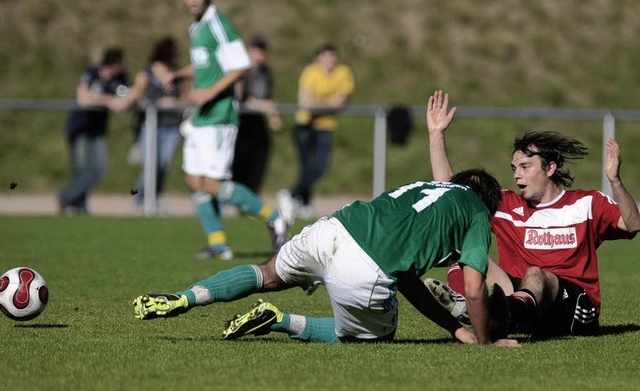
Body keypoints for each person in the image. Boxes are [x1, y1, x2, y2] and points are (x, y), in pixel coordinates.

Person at [132, 167, 519, 347]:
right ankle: (280, 320)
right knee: (375, 336)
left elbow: (407, 279)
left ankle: (186, 296)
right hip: (365, 266)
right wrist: (484, 341)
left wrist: (453, 329)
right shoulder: (478, 212)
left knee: (268, 272)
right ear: (488, 203)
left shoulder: (426, 187)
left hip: (334, 227)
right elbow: (472, 288)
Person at [425, 90, 640, 338]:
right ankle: (497, 312)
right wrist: (436, 135)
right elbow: (454, 195)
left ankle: (495, 312)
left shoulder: (586, 203)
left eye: (525, 167)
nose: (517, 175)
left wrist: (615, 181)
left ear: (550, 168)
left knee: (537, 274)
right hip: (524, 302)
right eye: (514, 168)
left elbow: (633, 224)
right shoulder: (507, 205)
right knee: (463, 260)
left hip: (576, 309)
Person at [174, 0, 293, 259]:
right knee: (193, 180)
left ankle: (274, 217)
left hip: (220, 116)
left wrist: (210, 92)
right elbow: (207, 66)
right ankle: (218, 244)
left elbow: (240, 65)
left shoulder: (217, 23)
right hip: (201, 116)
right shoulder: (196, 27)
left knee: (212, 184)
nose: (192, 0)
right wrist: (179, 75)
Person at [286, 44, 354, 219]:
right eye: (326, 56)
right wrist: (328, 103)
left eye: (333, 56)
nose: (330, 60)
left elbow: (340, 102)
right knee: (305, 167)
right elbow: (306, 103)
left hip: (325, 127)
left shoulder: (343, 73)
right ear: (317, 58)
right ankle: (304, 202)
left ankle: (292, 195)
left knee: (320, 168)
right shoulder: (311, 72)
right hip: (305, 125)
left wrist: (319, 103)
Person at [58, 47, 129, 214]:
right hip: (80, 128)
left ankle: (69, 199)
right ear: (114, 63)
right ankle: (73, 202)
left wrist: (120, 102)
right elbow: (83, 98)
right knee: (81, 170)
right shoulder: (91, 73)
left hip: (98, 131)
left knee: (98, 169)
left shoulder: (120, 80)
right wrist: (108, 101)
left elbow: (127, 97)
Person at [122, 37, 184, 213]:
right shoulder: (147, 71)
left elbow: (187, 96)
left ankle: (154, 198)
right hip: (150, 125)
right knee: (151, 165)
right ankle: (137, 196)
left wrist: (175, 102)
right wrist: (155, 102)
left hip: (171, 126)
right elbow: (137, 93)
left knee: (163, 164)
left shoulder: (177, 73)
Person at [232, 35, 282, 194]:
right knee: (240, 160)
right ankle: (239, 195)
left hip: (258, 120)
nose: (260, 54)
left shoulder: (266, 73)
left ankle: (252, 195)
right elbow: (241, 98)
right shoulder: (243, 72)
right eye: (256, 50)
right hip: (242, 120)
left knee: (259, 158)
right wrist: (263, 105)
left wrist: (273, 116)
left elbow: (269, 96)